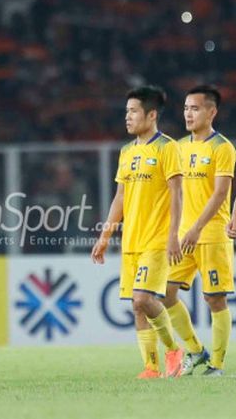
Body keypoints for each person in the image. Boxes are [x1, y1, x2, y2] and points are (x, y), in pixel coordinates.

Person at [91, 86, 184, 379]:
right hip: (131, 239)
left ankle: (173, 350)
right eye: (126, 111)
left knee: (144, 298)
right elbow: (120, 197)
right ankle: (152, 367)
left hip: (157, 239)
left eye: (133, 111)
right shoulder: (127, 152)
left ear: (151, 114)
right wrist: (106, 236)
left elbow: (177, 194)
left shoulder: (167, 148)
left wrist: (173, 235)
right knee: (136, 306)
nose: (127, 117)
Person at [161, 85, 236, 376]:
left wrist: (196, 228)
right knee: (165, 293)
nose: (188, 114)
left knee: (214, 298)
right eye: (185, 108)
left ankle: (216, 364)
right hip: (183, 236)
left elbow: (220, 194)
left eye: (195, 108)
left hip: (211, 234)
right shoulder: (178, 147)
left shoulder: (222, 148)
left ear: (212, 112)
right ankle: (195, 350)